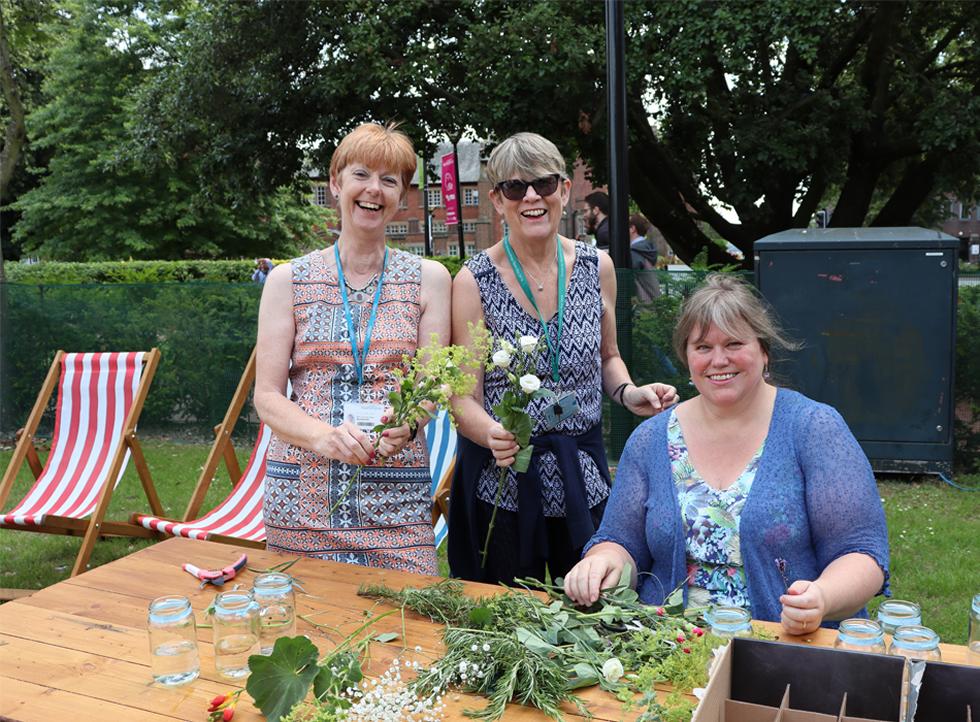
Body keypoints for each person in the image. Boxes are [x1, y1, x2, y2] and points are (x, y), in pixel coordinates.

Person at [564, 274, 890, 634]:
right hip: (670, 648)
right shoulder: (651, 439)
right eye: (702, 347)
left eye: (734, 343)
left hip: (785, 648)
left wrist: (822, 598)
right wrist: (602, 563)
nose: (718, 359)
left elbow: (863, 553)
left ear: (764, 351)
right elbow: (621, 540)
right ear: (687, 357)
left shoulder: (814, 428)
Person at [448, 132, 677, 585]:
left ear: (564, 191)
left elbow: (608, 357)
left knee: (594, 609)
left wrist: (630, 393)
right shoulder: (473, 280)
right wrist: (491, 432)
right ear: (497, 200)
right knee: (509, 619)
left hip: (583, 476)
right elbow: (463, 397)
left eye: (545, 184)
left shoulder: (598, 268)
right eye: (515, 188)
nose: (532, 197)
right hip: (508, 482)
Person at [254, 122, 452, 575]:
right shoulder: (288, 280)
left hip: (397, 500)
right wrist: (324, 438)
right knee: (306, 633)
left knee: (408, 629)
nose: (373, 190)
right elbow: (266, 396)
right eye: (361, 174)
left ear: (401, 196)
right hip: (302, 500)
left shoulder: (430, 279)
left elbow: (431, 384)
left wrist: (410, 421)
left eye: (389, 180)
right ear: (335, 183)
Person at [629, 214, 660, 303]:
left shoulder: (634, 252)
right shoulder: (646, 248)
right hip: (652, 303)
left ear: (632, 229)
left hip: (643, 306)